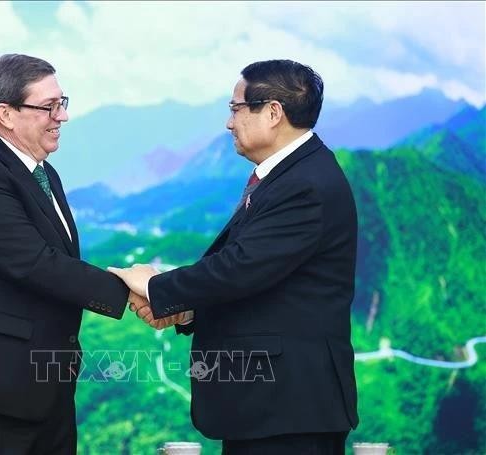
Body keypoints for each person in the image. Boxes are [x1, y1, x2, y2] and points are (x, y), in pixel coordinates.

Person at [110, 60, 359, 454]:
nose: (229, 123)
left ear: (273, 112)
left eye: (236, 108)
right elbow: (262, 281)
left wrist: (156, 287)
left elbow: (240, 267)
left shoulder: (305, 184)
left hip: (288, 409)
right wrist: (187, 310)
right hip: (268, 407)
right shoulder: (288, 175)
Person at [0, 54, 140, 454]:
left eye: (62, 102)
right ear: (5, 114)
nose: (62, 116)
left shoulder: (43, 173)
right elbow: (34, 264)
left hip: (42, 389)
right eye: (48, 106)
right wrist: (137, 290)